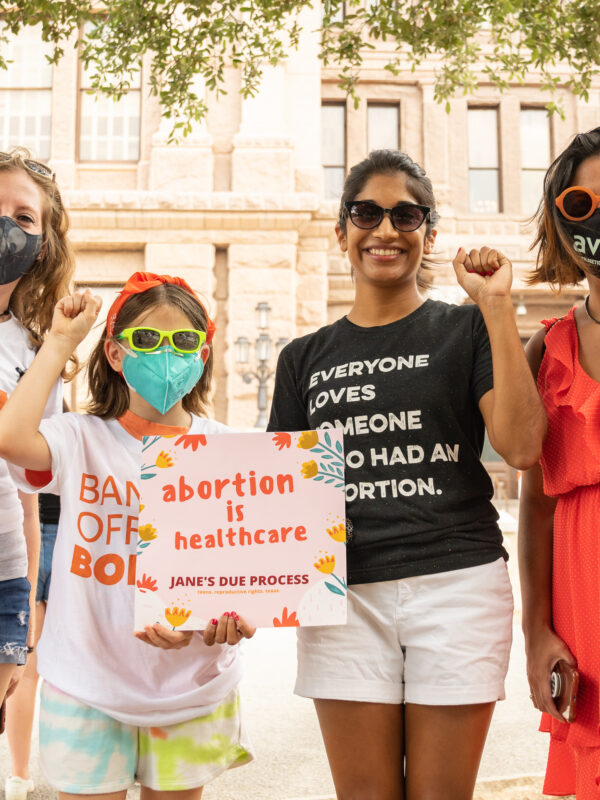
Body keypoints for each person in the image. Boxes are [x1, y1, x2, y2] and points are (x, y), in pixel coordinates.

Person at [267, 149, 546, 800]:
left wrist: (499, 308)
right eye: (366, 213)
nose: (386, 230)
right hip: (345, 602)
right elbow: (277, 507)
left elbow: (523, 446)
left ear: (431, 233)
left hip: (457, 587)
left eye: (407, 215)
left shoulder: (468, 327)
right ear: (342, 233)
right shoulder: (302, 359)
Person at [0, 271, 255, 797]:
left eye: (184, 341)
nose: (166, 353)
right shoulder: (77, 439)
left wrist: (225, 617)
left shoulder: (235, 455)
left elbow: (250, 577)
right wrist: (60, 343)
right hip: (85, 690)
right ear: (116, 355)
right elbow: (10, 438)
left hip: (193, 692)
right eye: (146, 339)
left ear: (202, 354)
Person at [519, 126, 600, 799]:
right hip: (585, 606)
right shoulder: (546, 351)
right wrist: (536, 628)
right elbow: (536, 504)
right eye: (582, 202)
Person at [0, 149, 72, 735]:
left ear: (43, 245)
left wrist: (25, 592)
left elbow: (30, 486)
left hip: (4, 577)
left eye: (25, 218)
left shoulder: (33, 349)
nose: (7, 228)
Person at [5, 488, 62, 800]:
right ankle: (81, 768)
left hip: (21, 526)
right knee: (80, 659)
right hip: (75, 530)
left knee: (25, 667)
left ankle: (18, 773)